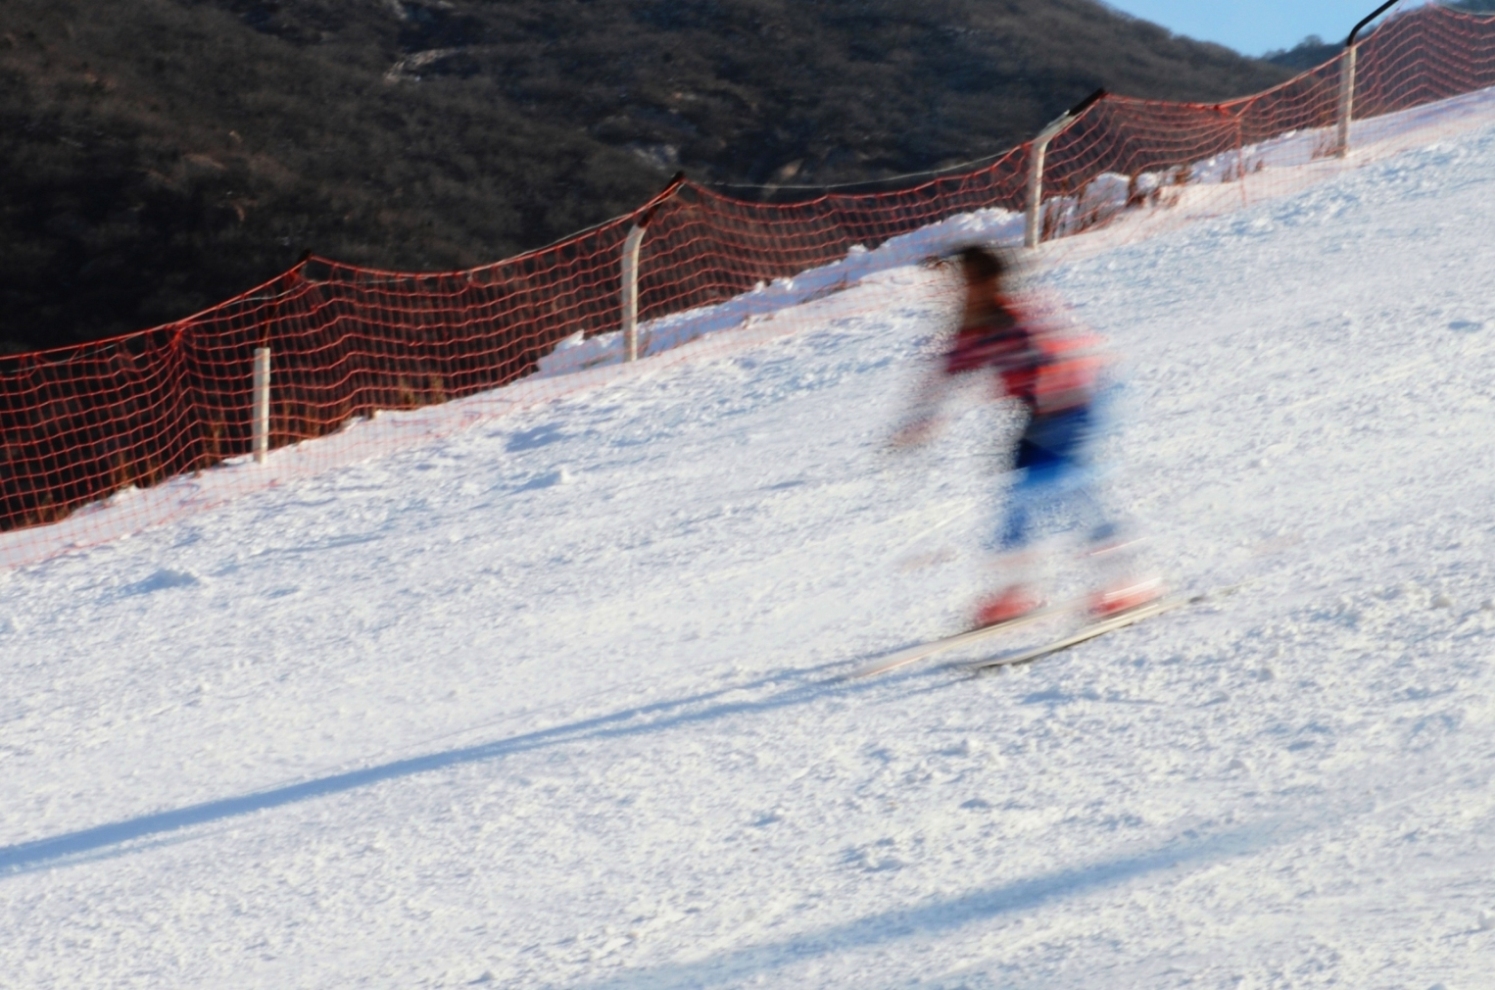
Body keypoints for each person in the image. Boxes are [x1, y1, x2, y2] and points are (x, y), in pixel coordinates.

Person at [891, 244, 1160, 629]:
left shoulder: (1022, 314)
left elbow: (1065, 360)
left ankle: (1128, 578)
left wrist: (1051, 415)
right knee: (1018, 495)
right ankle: (1014, 591)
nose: (961, 291)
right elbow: (946, 371)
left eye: (968, 282)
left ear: (990, 281)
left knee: (1066, 483)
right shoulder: (973, 325)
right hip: (1042, 412)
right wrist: (920, 420)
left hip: (1084, 398)